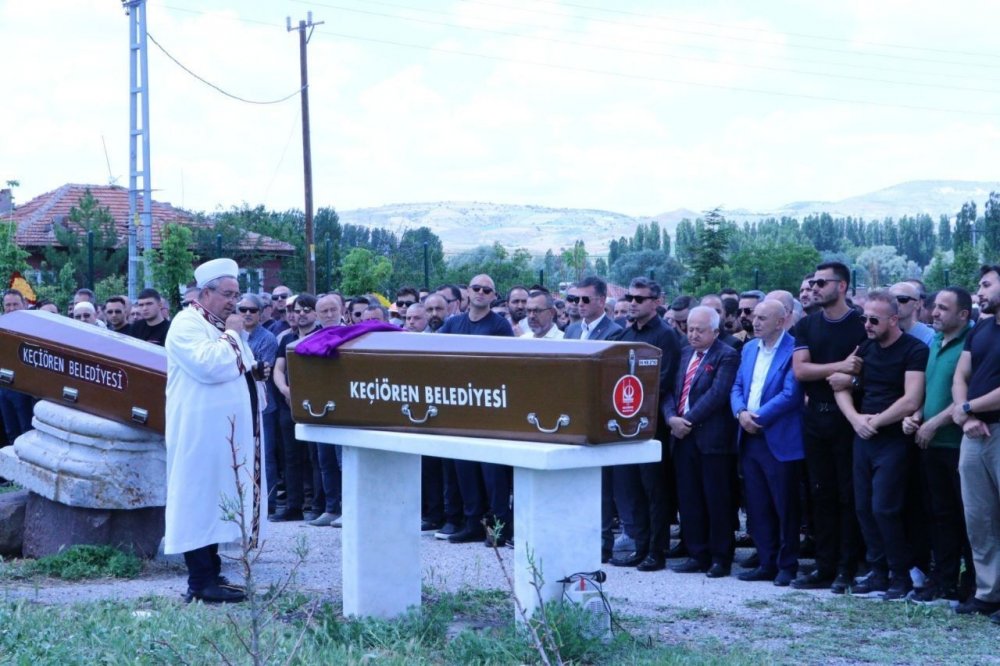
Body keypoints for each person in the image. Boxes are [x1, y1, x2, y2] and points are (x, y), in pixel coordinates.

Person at [164, 258, 266, 604]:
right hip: (198, 434)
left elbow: (244, 367)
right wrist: (235, 334)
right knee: (197, 502)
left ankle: (213, 572)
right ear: (205, 293)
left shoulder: (219, 325)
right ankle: (200, 581)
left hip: (221, 435)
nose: (233, 302)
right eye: (227, 294)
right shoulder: (186, 323)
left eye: (236, 294)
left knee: (214, 502)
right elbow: (211, 366)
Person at [833, 290, 927, 600]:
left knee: (885, 508)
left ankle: (900, 575)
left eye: (874, 319)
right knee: (863, 507)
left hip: (893, 438)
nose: (868, 324)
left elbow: (912, 399)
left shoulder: (913, 350)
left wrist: (875, 421)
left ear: (894, 319)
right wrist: (855, 419)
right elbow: (839, 384)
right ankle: (878, 570)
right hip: (864, 434)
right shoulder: (864, 348)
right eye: (864, 318)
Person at [790, 262, 867, 593]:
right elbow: (800, 372)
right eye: (813, 282)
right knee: (820, 493)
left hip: (849, 419)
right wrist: (841, 368)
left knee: (847, 495)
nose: (815, 287)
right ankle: (824, 566)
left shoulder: (861, 324)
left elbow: (866, 370)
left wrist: (849, 376)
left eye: (822, 282)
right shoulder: (807, 325)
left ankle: (847, 567)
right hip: (815, 418)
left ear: (843, 286)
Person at [902, 286, 975, 603]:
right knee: (939, 515)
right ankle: (943, 580)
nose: (935, 313)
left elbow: (969, 395)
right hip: (930, 442)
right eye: (935, 307)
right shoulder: (933, 340)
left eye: (944, 308)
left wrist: (934, 422)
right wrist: (917, 415)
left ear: (963, 314)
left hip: (959, 442)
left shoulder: (972, 342)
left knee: (968, 518)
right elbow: (931, 391)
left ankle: (972, 585)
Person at [730, 299, 804, 587]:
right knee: (758, 504)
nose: (755, 321)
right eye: (755, 317)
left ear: (781, 320)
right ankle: (766, 560)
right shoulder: (749, 349)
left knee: (784, 504)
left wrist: (756, 416)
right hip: (749, 437)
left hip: (778, 437)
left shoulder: (793, 349)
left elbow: (791, 394)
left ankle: (787, 564)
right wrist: (740, 413)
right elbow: (737, 386)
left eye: (762, 317)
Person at [609, 277, 681, 571]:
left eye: (640, 299)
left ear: (656, 302)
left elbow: (663, 382)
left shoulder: (665, 335)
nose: (632, 303)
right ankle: (640, 546)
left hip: (651, 425)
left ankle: (656, 550)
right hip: (626, 423)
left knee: (654, 490)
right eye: (630, 297)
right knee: (632, 489)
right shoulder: (626, 334)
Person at [438, 274, 515, 546]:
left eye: (487, 289)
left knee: (492, 472)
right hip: (460, 406)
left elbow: (505, 366)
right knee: (464, 468)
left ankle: (499, 527)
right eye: (476, 288)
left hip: (490, 409)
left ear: (494, 296)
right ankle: (472, 524)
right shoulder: (453, 323)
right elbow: (432, 352)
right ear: (467, 293)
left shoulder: (500, 326)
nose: (481, 292)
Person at [664, 306, 740, 578]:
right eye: (690, 329)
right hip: (681, 437)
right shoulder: (684, 354)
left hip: (712, 440)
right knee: (689, 498)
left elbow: (718, 395)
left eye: (700, 330)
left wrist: (688, 421)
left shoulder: (727, 356)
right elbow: (670, 392)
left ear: (715, 332)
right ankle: (697, 553)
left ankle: (720, 557)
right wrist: (672, 418)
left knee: (716, 499)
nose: (693, 334)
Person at [951, 265, 1000, 619]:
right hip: (974, 433)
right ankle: (988, 592)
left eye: (986, 285)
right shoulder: (981, 328)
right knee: (978, 517)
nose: (979, 291)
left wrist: (968, 407)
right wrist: (965, 415)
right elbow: (961, 374)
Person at [564, 276, 621, 341]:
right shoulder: (571, 330)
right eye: (577, 299)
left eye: (585, 299)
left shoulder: (614, 332)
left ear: (601, 301)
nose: (580, 304)